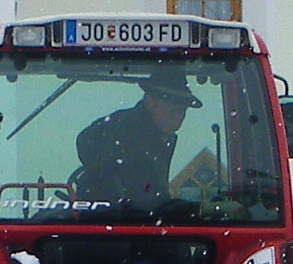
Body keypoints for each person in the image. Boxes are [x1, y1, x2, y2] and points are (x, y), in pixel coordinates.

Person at [74, 67, 200, 206]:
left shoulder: (154, 136)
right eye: (173, 108)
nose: (179, 116)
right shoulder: (128, 137)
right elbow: (148, 201)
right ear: (150, 101)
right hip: (120, 221)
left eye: (183, 110)